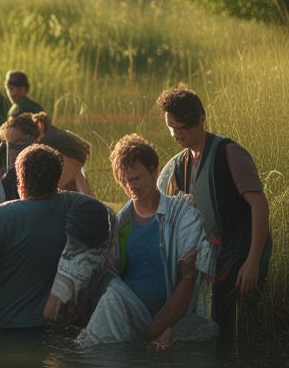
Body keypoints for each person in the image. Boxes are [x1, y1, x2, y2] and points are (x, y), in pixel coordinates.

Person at [0, 144, 110, 330]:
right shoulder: (77, 210)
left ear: (20, 181)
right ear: (57, 180)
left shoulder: (0, 215)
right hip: (42, 329)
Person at [78, 135, 219, 347]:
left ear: (154, 172)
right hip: (124, 316)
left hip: (162, 321)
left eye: (135, 179)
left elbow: (187, 280)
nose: (130, 186)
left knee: (109, 310)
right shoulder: (119, 223)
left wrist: (153, 331)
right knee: (109, 301)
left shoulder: (183, 216)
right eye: (124, 181)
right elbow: (109, 277)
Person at [156, 87, 272, 333]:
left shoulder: (229, 153)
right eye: (171, 128)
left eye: (181, 127)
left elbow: (259, 205)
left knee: (240, 327)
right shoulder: (180, 164)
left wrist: (252, 262)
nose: (176, 134)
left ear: (200, 118)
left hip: (242, 253)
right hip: (214, 257)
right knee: (214, 325)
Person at [1, 112, 93, 195]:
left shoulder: (49, 152)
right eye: (9, 145)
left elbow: (86, 192)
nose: (12, 152)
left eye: (17, 143)